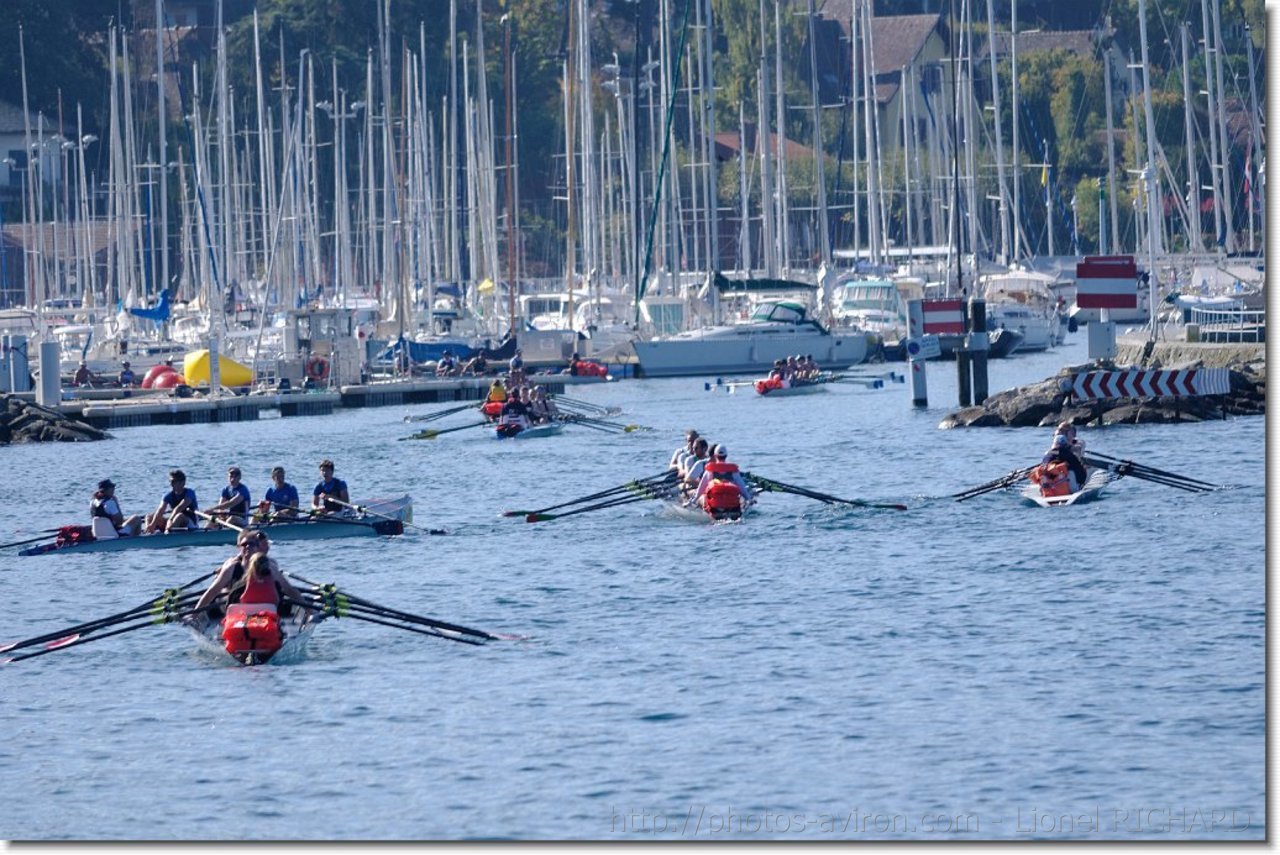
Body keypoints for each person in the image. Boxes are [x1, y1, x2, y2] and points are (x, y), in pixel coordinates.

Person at [191, 530, 310, 620]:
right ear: (239, 548)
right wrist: (194, 614)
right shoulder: (232, 567)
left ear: (258, 548)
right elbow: (212, 591)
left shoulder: (269, 566)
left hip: (267, 610)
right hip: (237, 611)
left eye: (252, 544)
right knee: (218, 599)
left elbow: (289, 589)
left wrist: (309, 611)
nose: (248, 547)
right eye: (244, 545)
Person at [692, 445, 754, 517]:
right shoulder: (733, 471)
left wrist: (692, 501)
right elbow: (742, 488)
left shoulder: (710, 471)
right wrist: (749, 499)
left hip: (714, 508)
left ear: (715, 455)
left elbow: (701, 489)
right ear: (726, 456)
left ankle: (706, 512)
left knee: (702, 497)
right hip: (732, 507)